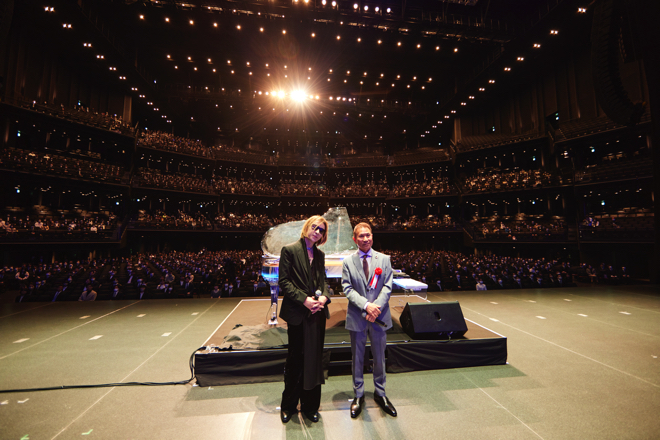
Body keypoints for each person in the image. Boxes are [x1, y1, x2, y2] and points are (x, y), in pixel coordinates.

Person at [278, 215, 331, 424]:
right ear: (307, 227)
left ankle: (310, 407)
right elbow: (284, 282)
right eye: (314, 227)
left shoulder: (320, 255)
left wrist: (324, 297)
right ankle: (288, 406)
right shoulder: (290, 250)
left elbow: (323, 281)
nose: (317, 231)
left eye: (321, 230)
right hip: (298, 314)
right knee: (295, 360)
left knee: (314, 361)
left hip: (317, 313)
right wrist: (305, 300)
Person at [342, 222, 397, 419]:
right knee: (357, 357)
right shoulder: (348, 262)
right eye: (361, 236)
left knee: (379, 357)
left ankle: (380, 393)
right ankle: (358, 395)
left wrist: (375, 308)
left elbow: (387, 287)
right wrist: (366, 305)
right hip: (358, 315)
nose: (365, 239)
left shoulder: (384, 259)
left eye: (368, 235)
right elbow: (347, 288)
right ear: (354, 239)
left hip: (379, 316)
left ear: (372, 236)